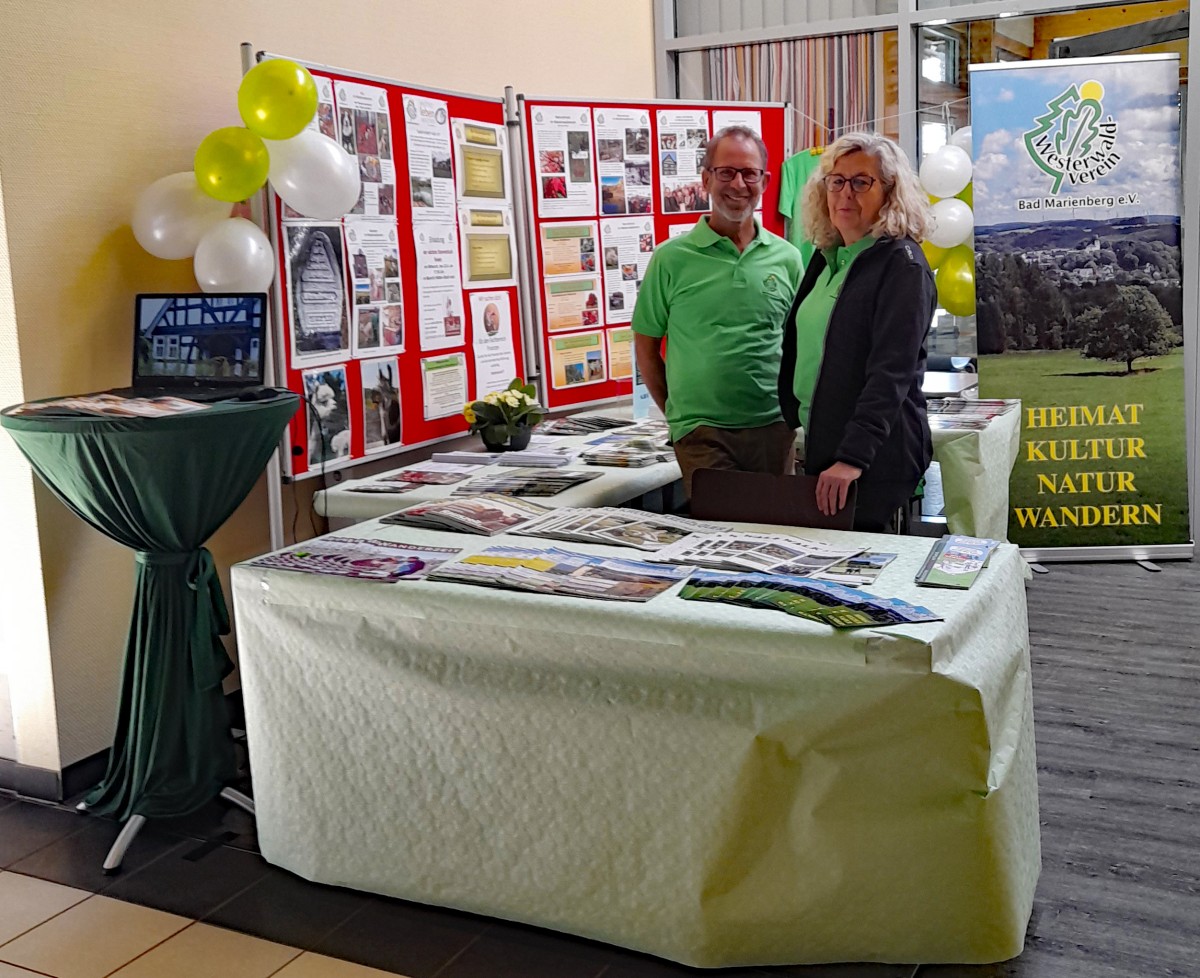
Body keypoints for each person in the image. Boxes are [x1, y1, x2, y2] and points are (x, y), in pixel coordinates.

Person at [633, 125, 803, 496]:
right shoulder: (671, 259)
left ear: (766, 180)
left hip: (774, 428)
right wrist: (680, 419)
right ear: (706, 178)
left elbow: (799, 344)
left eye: (749, 173)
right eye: (726, 172)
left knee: (776, 536)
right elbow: (646, 346)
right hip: (702, 432)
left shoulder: (788, 258)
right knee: (721, 533)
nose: (738, 184)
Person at [778, 131, 936, 531]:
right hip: (824, 440)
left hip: (873, 456)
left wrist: (852, 457)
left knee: (860, 574)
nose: (846, 193)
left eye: (862, 181)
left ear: (890, 192)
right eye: (837, 180)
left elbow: (891, 373)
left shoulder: (902, 265)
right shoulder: (826, 256)